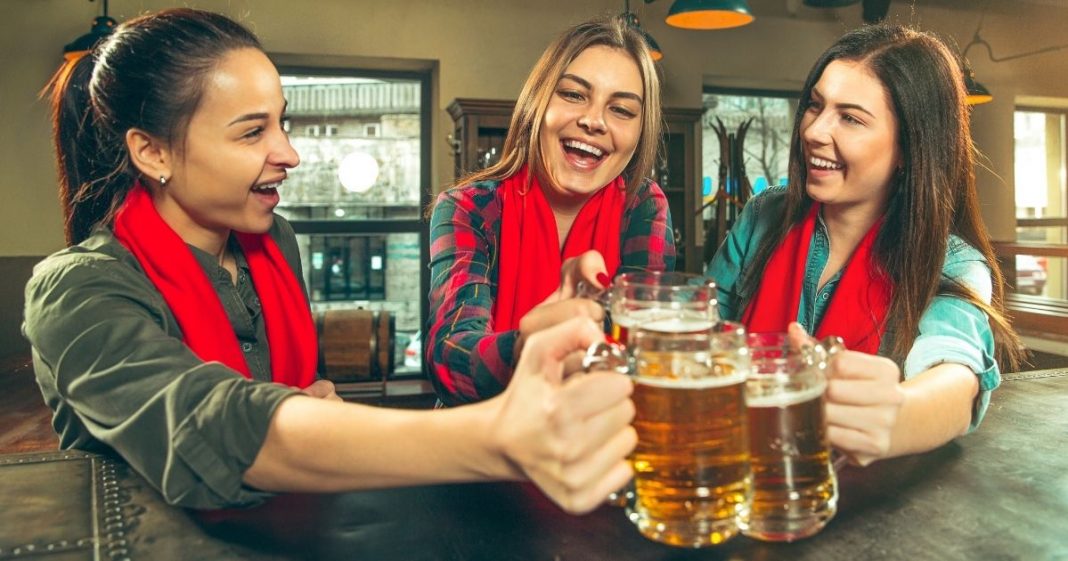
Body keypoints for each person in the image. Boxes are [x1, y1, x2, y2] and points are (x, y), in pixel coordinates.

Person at [23, 8, 637, 513]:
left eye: (282, 124)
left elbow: (296, 399)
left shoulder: (275, 243)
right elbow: (210, 424)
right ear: (152, 152)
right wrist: (496, 438)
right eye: (251, 132)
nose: (288, 152)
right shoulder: (78, 289)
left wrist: (313, 409)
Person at [707, 24, 1024, 467]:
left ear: (909, 148)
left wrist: (897, 416)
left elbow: (955, 375)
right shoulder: (764, 215)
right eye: (815, 106)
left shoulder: (952, 262)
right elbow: (699, 331)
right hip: (739, 476)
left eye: (851, 118)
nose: (815, 130)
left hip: (860, 502)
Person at [428, 16, 675, 406]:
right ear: (537, 103)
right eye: (574, 95)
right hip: (481, 451)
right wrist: (530, 348)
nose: (593, 121)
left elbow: (645, 345)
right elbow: (449, 357)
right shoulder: (469, 208)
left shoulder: (643, 206)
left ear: (640, 133)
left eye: (622, 110)